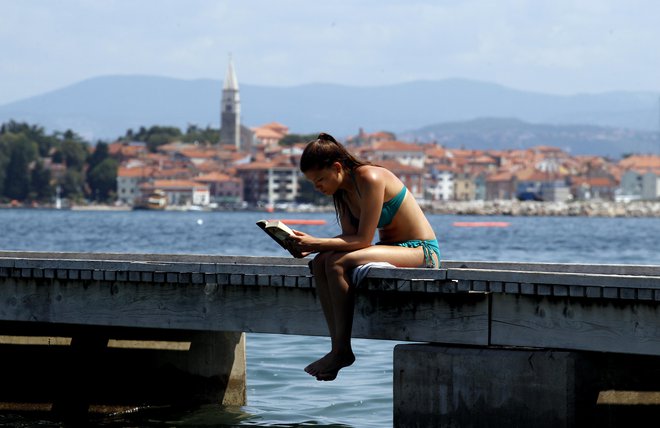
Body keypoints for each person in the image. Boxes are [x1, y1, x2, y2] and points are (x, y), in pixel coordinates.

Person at [287, 132, 440, 382]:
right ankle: (336, 345)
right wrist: (312, 247)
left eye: (320, 180)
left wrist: (316, 242)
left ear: (337, 167)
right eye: (314, 183)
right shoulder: (343, 193)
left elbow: (362, 240)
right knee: (321, 262)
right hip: (391, 248)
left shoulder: (369, 177)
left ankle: (342, 350)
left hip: (421, 250)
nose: (318, 187)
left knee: (335, 261)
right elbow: (349, 241)